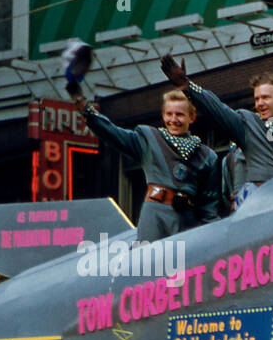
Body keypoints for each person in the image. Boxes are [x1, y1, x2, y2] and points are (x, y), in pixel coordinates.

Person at [160, 56, 273, 209]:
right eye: (257, 98)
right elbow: (218, 110)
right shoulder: (249, 125)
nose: (259, 103)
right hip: (259, 210)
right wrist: (188, 87)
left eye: (265, 97)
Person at [70, 87, 219, 241]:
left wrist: (212, 237)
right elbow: (113, 133)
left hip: (186, 221)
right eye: (169, 114)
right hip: (154, 217)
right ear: (163, 115)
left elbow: (209, 206)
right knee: (147, 262)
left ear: (192, 117)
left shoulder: (207, 156)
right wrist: (88, 112)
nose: (173, 120)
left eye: (180, 114)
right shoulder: (149, 139)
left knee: (181, 264)